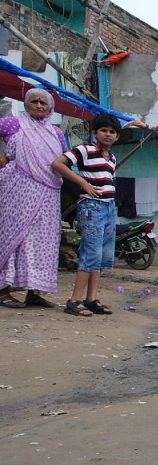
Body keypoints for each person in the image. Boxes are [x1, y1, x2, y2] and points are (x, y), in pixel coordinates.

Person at [0, 88, 68, 309]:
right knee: (13, 236)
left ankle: (34, 292)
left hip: (48, 194)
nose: (39, 106)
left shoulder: (56, 133)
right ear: (26, 104)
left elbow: (65, 160)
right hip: (17, 190)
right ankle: (3, 291)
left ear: (51, 108)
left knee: (42, 242)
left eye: (43, 103)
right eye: (34, 101)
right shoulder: (13, 124)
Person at [53, 112, 121, 317]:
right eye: (104, 131)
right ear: (95, 133)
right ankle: (74, 300)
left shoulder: (112, 158)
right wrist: (83, 183)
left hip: (109, 207)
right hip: (92, 207)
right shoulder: (85, 150)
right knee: (91, 252)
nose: (108, 135)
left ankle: (91, 299)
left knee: (101, 255)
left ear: (117, 136)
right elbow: (58, 164)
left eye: (112, 132)